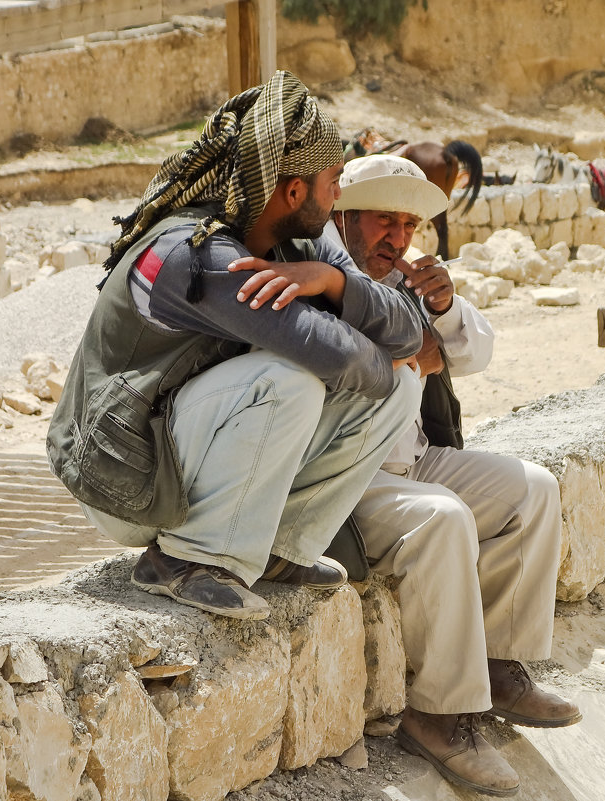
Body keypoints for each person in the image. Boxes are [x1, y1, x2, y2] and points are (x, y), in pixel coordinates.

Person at [46, 72, 423, 621]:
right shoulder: (198, 256)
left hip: (176, 447)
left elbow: (409, 332)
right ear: (294, 191)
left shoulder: (301, 238)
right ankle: (182, 561)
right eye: (332, 180)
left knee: (399, 388)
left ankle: (277, 548)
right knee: (288, 379)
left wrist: (333, 281)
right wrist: (374, 356)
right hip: (120, 475)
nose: (339, 194)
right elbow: (340, 355)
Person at [325, 154, 581, 797]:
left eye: (408, 224)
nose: (398, 237)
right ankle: (436, 714)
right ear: (344, 216)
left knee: (533, 489)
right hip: (347, 475)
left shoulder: (400, 278)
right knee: (442, 518)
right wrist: (417, 351)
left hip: (410, 457)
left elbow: (473, 353)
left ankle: (497, 670)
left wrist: (444, 305)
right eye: (385, 221)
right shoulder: (323, 273)